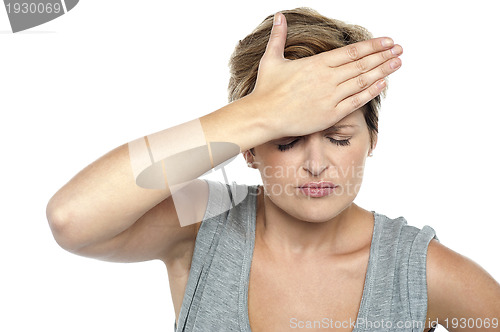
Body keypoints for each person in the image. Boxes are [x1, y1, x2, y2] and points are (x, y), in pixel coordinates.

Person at [46, 7, 500, 332]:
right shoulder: (204, 219)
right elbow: (73, 218)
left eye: (339, 139)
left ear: (372, 140)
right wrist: (260, 113)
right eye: (286, 140)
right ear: (249, 150)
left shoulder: (420, 271)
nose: (317, 164)